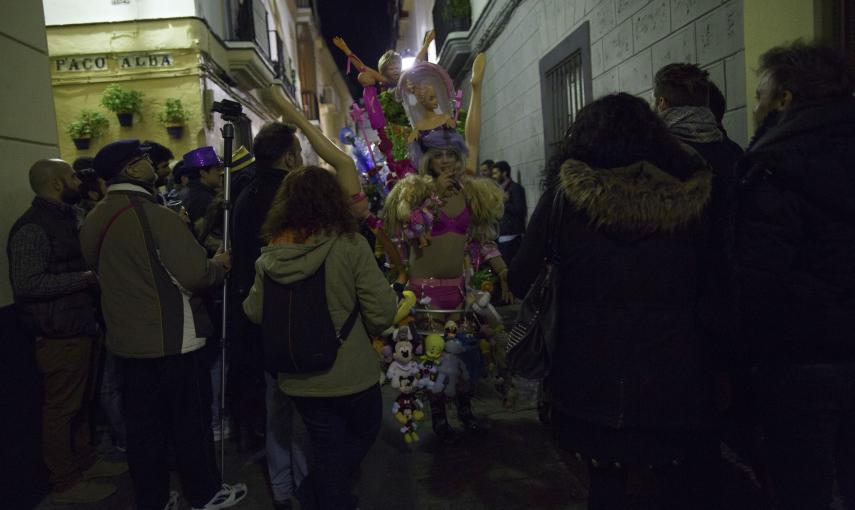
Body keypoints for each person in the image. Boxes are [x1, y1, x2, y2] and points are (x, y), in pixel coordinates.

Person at [509, 93, 726, 510]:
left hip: (588, 375)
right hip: (674, 375)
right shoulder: (692, 201)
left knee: (605, 484)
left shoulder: (566, 199)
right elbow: (716, 288)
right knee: (672, 484)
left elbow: (521, 279)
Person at [79, 140, 246, 510]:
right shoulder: (155, 215)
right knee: (190, 422)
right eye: (143, 160)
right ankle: (203, 492)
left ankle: (153, 498)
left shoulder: (94, 218)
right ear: (132, 170)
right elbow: (195, 274)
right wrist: (219, 265)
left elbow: (96, 268)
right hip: (174, 339)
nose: (152, 165)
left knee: (144, 429)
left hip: (125, 341)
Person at [735, 42, 855, 510]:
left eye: (762, 93)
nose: (757, 104)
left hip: (803, 362)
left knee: (799, 487)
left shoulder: (774, 166)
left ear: (786, 99)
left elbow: (760, 280)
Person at [243, 166, 397, 510]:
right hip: (351, 372)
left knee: (327, 445)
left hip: (298, 376)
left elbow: (254, 311)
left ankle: (324, 495)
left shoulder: (271, 252)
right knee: (364, 431)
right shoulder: (350, 244)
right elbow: (382, 312)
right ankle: (319, 494)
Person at [383, 53, 507, 442]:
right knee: (430, 357)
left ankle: (465, 411)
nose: (448, 161)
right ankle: (438, 416)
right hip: (423, 292)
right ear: (428, 160)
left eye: (452, 155)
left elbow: (482, 238)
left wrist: (475, 88)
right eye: (439, 156)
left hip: (458, 289)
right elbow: (406, 226)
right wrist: (434, 198)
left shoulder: (471, 193)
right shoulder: (414, 194)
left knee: (465, 354)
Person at [7, 159, 126, 504]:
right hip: (58, 332)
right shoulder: (32, 228)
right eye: (73, 176)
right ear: (57, 184)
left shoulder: (67, 218)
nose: (79, 180)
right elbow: (27, 284)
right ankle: (66, 480)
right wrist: (86, 279)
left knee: (81, 401)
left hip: (80, 324)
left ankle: (86, 462)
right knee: (61, 408)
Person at [491, 160, 526, 267]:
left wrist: (504, 203)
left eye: (496, 173)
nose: (493, 176)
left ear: (504, 173)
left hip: (512, 237)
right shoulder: (499, 189)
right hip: (500, 235)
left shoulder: (515, 188)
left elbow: (520, 211)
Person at [182, 146, 223, 224]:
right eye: (217, 169)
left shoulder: (195, 193)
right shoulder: (204, 199)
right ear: (203, 173)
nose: (220, 173)